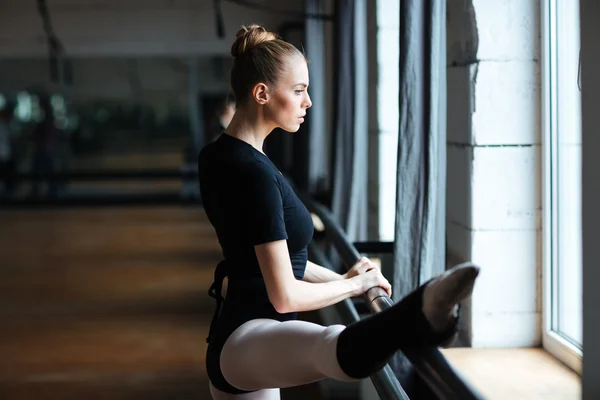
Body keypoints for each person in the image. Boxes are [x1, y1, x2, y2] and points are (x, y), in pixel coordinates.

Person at [197, 24, 480, 400]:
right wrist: (356, 285)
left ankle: (417, 315)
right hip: (251, 336)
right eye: (299, 90)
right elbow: (285, 295)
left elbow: (274, 258)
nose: (308, 101)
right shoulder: (254, 173)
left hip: (245, 341)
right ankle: (419, 314)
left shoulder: (220, 155)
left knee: (330, 347)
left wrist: (341, 276)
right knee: (332, 347)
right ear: (262, 93)